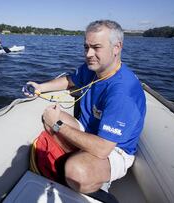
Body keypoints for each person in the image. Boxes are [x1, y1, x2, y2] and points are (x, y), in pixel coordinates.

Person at [24, 20, 146, 195]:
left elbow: (103, 149)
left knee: (76, 170)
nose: (89, 54)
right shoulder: (93, 69)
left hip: (114, 150)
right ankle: (79, 158)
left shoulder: (123, 93)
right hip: (89, 130)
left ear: (117, 47)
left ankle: (95, 184)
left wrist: (59, 125)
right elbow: (70, 80)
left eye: (96, 47)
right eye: (86, 47)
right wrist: (40, 87)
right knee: (48, 116)